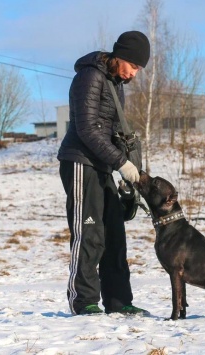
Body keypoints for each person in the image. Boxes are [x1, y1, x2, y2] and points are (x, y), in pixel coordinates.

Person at [57, 31, 150, 316]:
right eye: (133, 66)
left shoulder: (114, 82)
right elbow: (86, 129)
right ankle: (83, 300)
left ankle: (119, 301)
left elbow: (110, 130)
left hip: (102, 165)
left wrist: (124, 163)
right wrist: (121, 162)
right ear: (121, 56)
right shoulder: (89, 77)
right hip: (81, 162)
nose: (134, 74)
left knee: (114, 234)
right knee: (89, 233)